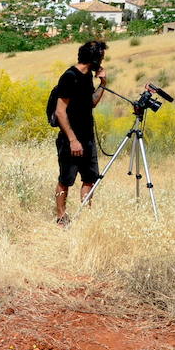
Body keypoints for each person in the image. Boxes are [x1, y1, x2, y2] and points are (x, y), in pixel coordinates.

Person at [52, 40, 108, 225]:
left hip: (88, 138)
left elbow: (91, 102)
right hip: (71, 139)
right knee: (66, 180)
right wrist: (73, 140)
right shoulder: (69, 77)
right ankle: (61, 218)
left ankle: (86, 217)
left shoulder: (87, 77)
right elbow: (60, 111)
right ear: (94, 59)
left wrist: (103, 83)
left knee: (90, 178)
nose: (102, 61)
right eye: (101, 57)